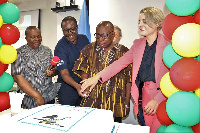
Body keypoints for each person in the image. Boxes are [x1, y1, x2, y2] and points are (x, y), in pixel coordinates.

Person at [80, 7, 170, 133]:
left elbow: (172, 76)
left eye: (144, 21)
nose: (140, 25)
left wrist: (158, 99)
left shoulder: (168, 45)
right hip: (142, 96)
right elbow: (118, 64)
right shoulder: (138, 44)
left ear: (157, 23)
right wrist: (96, 77)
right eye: (139, 21)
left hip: (163, 95)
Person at [73, 21, 132, 123]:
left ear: (113, 35)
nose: (100, 39)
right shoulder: (89, 49)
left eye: (104, 36)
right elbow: (83, 68)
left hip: (115, 103)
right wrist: (85, 83)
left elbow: (129, 79)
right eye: (98, 36)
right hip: (93, 102)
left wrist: (126, 103)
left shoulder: (124, 52)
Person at [11, 26, 60, 109]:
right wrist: (37, 96)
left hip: (48, 97)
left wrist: (53, 72)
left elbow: (54, 70)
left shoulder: (47, 51)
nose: (37, 39)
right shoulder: (18, 53)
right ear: (26, 38)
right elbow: (18, 78)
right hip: (29, 100)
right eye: (33, 37)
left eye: (39, 36)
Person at [54, 16, 90, 106]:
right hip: (67, 89)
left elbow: (88, 62)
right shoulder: (60, 47)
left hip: (84, 84)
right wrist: (78, 86)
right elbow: (64, 74)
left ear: (77, 28)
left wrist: (85, 83)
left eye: (72, 29)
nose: (70, 33)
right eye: (66, 30)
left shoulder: (84, 39)